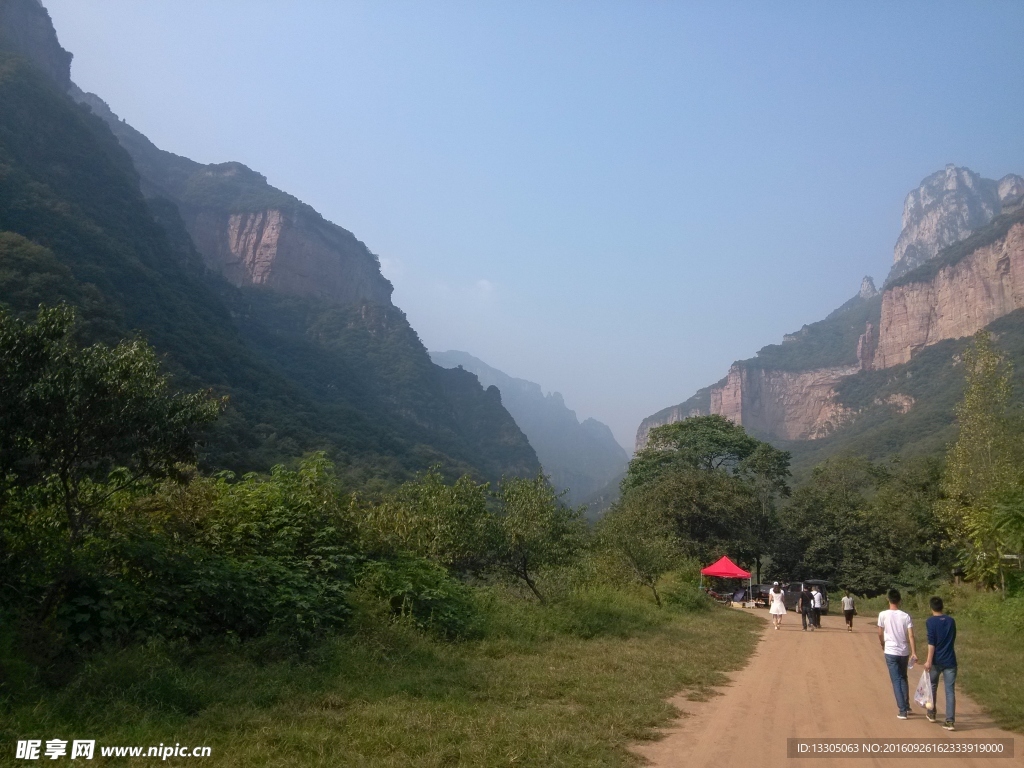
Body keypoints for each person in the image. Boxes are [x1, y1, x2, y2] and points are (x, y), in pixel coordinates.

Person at [878, 588, 918, 719]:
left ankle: (902, 710)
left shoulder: (883, 614)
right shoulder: (905, 616)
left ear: (888, 599)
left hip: (890, 650)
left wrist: (882, 643)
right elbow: (911, 635)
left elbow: (880, 632)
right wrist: (914, 652)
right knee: (903, 677)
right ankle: (906, 705)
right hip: (903, 651)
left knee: (896, 680)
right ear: (900, 600)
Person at [924, 596, 957, 730]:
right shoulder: (951, 621)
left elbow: (931, 643)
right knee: (950, 691)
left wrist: (928, 661)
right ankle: (950, 721)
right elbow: (953, 637)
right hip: (950, 659)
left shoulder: (930, 622)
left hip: (937, 660)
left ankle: (931, 713)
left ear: (931, 607)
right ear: (942, 606)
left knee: (932, 686)